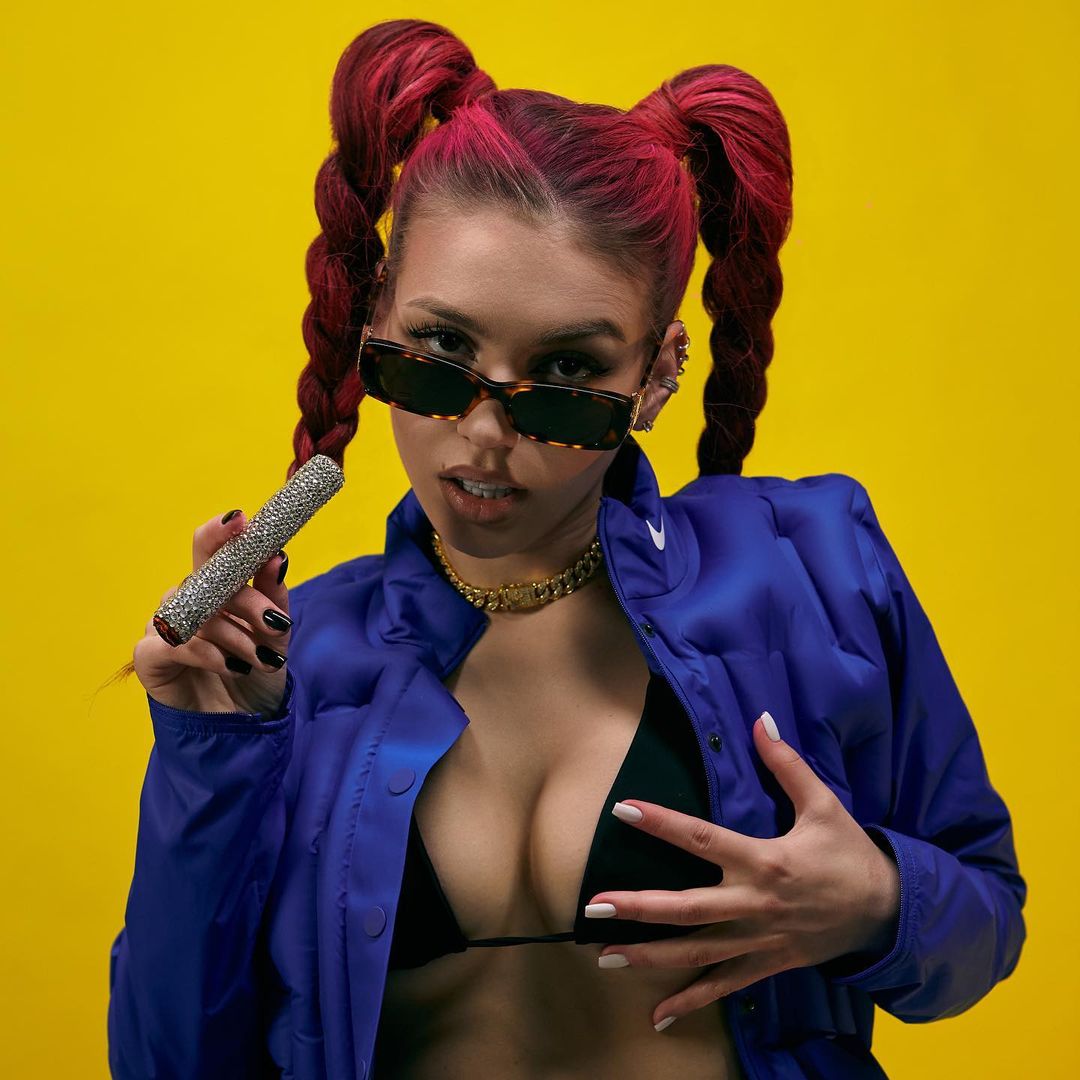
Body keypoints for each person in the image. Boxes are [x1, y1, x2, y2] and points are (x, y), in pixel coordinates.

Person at [107, 17, 1027, 1080]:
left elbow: (985, 925)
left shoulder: (814, 569)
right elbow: (167, 1061)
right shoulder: (286, 668)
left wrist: (877, 902)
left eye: (566, 377)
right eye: (440, 352)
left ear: (656, 374)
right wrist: (204, 748)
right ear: (373, 321)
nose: (485, 434)